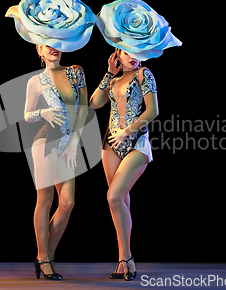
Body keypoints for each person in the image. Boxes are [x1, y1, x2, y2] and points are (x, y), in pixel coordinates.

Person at [89, 48, 159, 281]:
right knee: (120, 201)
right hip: (111, 145)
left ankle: (127, 258)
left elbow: (153, 111)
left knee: (114, 197)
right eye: (127, 51)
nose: (132, 56)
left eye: (136, 51)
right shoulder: (115, 78)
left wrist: (126, 132)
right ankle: (123, 261)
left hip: (136, 142)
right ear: (117, 53)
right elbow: (94, 103)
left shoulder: (144, 74)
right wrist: (109, 73)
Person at [24, 45, 88, 280]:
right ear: (39, 50)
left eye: (57, 44)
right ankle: (44, 257)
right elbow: (26, 114)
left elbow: (83, 109)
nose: (54, 48)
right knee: (45, 200)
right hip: (44, 142)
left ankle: (45, 256)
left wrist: (74, 142)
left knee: (68, 202)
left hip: (67, 144)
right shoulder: (35, 81)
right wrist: (43, 113)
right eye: (47, 45)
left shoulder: (75, 71)